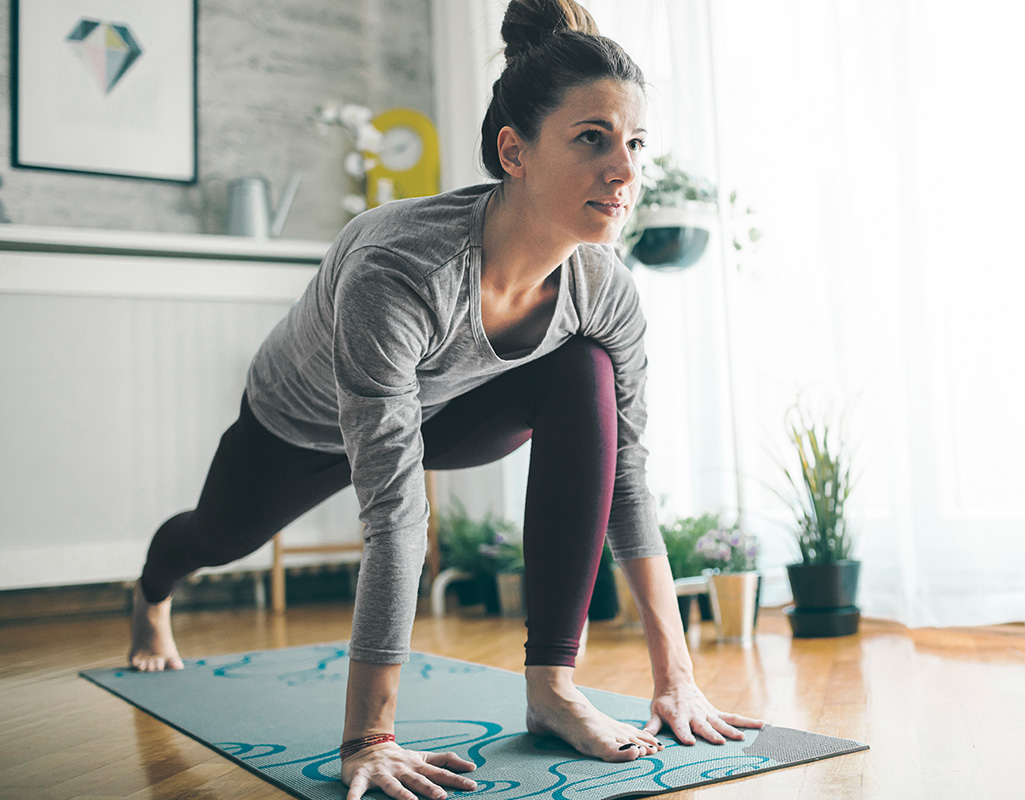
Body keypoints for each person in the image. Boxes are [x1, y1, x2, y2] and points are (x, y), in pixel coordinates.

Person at [127, 1, 765, 797]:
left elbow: (624, 476)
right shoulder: (398, 270)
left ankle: (553, 685)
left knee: (583, 373)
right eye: (592, 138)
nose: (626, 171)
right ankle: (150, 595)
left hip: (456, 407)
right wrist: (368, 737)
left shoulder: (604, 289)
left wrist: (677, 678)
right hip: (302, 423)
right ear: (515, 151)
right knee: (217, 536)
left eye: (635, 143)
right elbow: (395, 514)